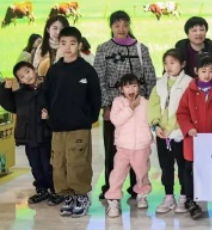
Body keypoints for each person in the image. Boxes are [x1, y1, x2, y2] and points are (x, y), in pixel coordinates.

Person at [94, 11, 157, 201]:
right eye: (117, 25)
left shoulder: (141, 48)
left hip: (139, 107)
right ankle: (111, 187)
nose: (121, 29)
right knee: (115, 150)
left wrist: (147, 104)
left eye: (125, 24)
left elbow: (150, 77)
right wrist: (106, 106)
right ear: (111, 27)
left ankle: (137, 187)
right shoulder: (103, 49)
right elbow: (99, 79)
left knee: (138, 149)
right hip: (115, 108)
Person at [42, 26, 101, 218]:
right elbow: (46, 94)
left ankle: (81, 196)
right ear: (59, 45)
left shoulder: (87, 70)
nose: (68, 47)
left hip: (79, 126)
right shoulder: (54, 70)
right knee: (59, 162)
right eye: (64, 43)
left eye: (72, 43)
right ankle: (68, 196)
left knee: (77, 162)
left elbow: (95, 96)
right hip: (58, 126)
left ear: (79, 45)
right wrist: (47, 114)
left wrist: (89, 117)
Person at [176, 53, 212, 220]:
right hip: (194, 140)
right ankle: (190, 201)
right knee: (190, 171)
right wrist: (188, 128)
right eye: (204, 71)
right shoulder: (189, 91)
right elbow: (181, 113)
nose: (207, 75)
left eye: (211, 71)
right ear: (196, 70)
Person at [0, 62, 54, 204]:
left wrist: (49, 117)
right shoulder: (20, 95)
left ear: (34, 70)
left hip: (45, 135)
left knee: (48, 165)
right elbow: (8, 104)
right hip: (29, 137)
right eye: (22, 76)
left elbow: (56, 106)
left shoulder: (48, 89)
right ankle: (42, 189)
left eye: (27, 72)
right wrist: (6, 89)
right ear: (20, 81)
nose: (27, 77)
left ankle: (54, 189)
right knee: (35, 165)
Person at [148, 49, 192, 215]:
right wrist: (156, 125)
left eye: (173, 63)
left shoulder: (189, 83)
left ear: (183, 64)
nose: (168, 66)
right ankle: (168, 196)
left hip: (179, 134)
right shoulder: (160, 83)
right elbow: (153, 105)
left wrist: (172, 127)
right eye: (166, 63)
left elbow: (184, 108)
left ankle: (184, 196)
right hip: (162, 134)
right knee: (166, 167)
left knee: (183, 167)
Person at [105, 74, 154, 218]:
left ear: (139, 87)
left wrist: (150, 139)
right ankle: (113, 200)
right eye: (127, 87)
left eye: (134, 86)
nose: (131, 89)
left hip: (141, 146)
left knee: (142, 172)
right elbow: (116, 120)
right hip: (123, 146)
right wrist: (130, 108)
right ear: (121, 89)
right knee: (118, 173)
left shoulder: (145, 102)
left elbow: (150, 122)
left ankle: (142, 194)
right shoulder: (118, 102)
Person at [175, 16, 212, 84]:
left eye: (202, 30)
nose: (198, 33)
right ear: (187, 33)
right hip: (185, 87)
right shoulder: (180, 50)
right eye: (194, 30)